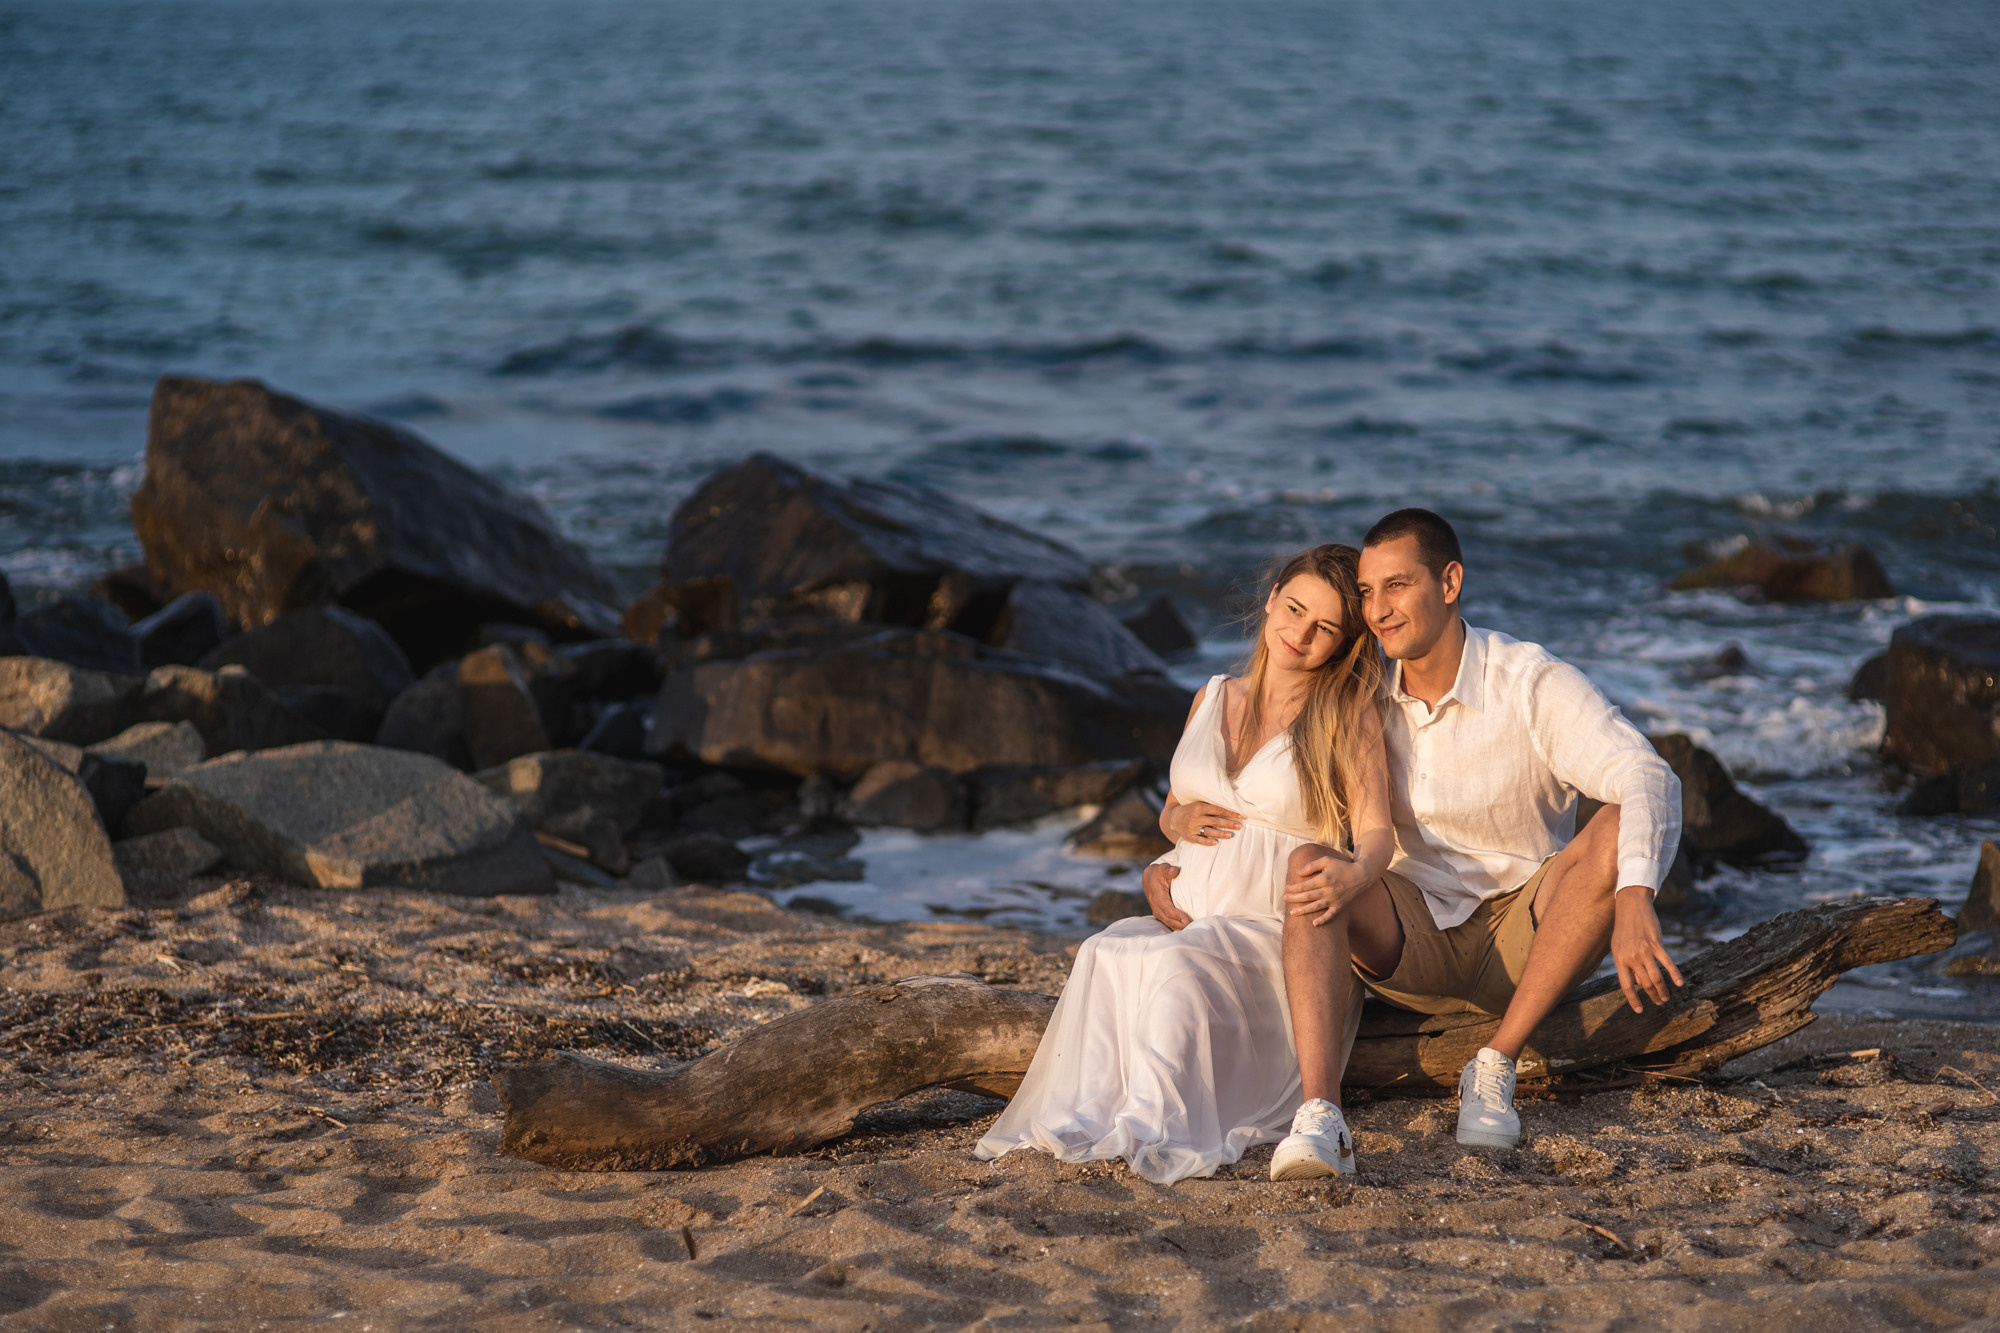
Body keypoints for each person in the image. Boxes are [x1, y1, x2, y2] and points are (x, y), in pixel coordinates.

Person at [1232, 507, 1686, 1152]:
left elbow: (1646, 773)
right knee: (1312, 862)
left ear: (1449, 583)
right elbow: (1265, 789)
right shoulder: (1359, 691)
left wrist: (1635, 895)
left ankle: (1495, 1063)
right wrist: (1176, 848)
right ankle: (1321, 1115)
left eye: (1397, 586)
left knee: (1615, 824)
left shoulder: (1529, 682)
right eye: (1367, 591)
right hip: (1406, 937)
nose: (1378, 610)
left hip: (1525, 936)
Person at [974, 545, 1393, 1185]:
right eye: (1294, 609)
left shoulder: (1344, 713)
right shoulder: (1212, 695)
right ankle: (1103, 1117)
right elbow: (1174, 809)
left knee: (1173, 969)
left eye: (1325, 627)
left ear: (1342, 643)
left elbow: (1377, 832)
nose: (1300, 633)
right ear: (1271, 598)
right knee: (1104, 953)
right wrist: (1168, 844)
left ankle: (1151, 1126)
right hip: (1192, 916)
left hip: (1269, 934)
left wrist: (1358, 875)